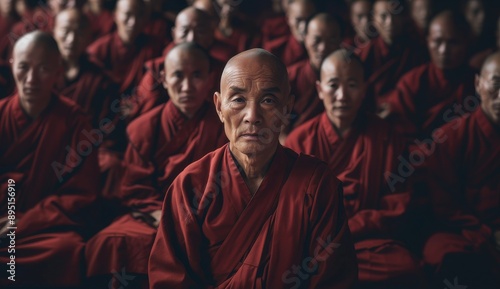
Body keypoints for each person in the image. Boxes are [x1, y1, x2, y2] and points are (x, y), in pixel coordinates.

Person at [149, 48, 358, 288]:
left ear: (287, 107)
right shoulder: (191, 186)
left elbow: (333, 279)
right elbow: (169, 279)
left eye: (268, 100)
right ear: (219, 107)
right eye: (238, 100)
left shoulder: (317, 185)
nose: (252, 116)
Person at [85, 42, 227, 289]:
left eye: (196, 76)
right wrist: (163, 217)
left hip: (206, 218)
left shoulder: (224, 126)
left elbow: (230, 181)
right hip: (153, 216)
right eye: (178, 75)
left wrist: (193, 218)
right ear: (163, 78)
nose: (187, 86)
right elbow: (135, 187)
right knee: (109, 241)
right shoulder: (144, 128)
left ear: (209, 79)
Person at [286, 49, 424, 288]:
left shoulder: (386, 137)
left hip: (367, 243)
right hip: (316, 246)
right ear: (319, 89)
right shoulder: (299, 141)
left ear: (364, 89)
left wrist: (350, 227)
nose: (341, 96)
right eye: (333, 85)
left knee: (406, 269)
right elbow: (290, 209)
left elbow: (398, 203)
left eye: (351, 85)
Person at [0, 31, 99, 287]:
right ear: (12, 64)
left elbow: (81, 192)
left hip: (43, 226)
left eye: (43, 68)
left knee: (67, 249)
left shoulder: (76, 121)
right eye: (23, 67)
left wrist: (25, 221)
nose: (31, 79)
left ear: (58, 71)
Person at [420, 51, 500, 289]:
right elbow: (443, 204)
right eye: (496, 83)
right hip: (467, 232)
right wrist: (488, 232)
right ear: (478, 84)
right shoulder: (451, 136)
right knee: (441, 253)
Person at [52, 8, 125, 197]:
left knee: (111, 165)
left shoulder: (103, 81)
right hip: (47, 145)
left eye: (79, 32)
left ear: (89, 36)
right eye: (66, 30)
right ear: (54, 31)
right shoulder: (42, 73)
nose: (71, 38)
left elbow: (109, 133)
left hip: (86, 152)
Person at [383, 10, 476, 139]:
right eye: (437, 42)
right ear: (428, 41)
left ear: (467, 42)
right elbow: (398, 129)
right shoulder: (412, 81)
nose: (443, 50)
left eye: (453, 42)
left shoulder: (476, 83)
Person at [131, 6, 232, 119]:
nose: (191, 38)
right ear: (174, 34)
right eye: (184, 32)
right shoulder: (158, 69)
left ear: (211, 34)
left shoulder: (223, 71)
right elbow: (143, 114)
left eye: (200, 31)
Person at [358, 0, 428, 112]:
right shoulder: (365, 53)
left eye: (395, 15)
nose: (390, 22)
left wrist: (394, 105)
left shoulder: (416, 50)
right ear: (374, 20)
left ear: (403, 18)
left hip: (405, 111)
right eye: (383, 16)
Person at [87, 0, 163, 97]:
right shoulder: (98, 50)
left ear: (146, 19)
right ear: (115, 16)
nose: (133, 22)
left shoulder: (156, 47)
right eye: (127, 15)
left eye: (139, 15)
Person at [286, 12, 342, 134]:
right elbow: (278, 130)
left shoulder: (346, 78)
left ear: (340, 41)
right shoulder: (290, 77)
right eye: (317, 40)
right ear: (305, 38)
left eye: (332, 40)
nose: (323, 47)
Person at [263, 0, 316, 66]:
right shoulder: (274, 51)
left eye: (309, 19)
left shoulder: (323, 46)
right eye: (298, 20)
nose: (303, 26)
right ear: (288, 19)